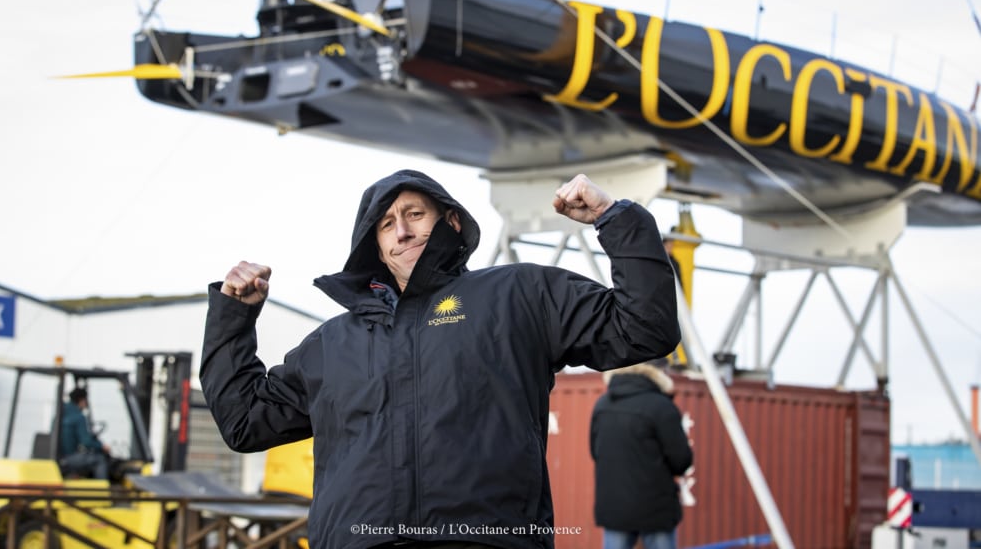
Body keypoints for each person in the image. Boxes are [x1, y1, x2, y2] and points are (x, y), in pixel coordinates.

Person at [200, 170, 679, 549]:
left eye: (414, 214)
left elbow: (644, 329)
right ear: (375, 245)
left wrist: (614, 217)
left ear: (449, 221)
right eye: (386, 224)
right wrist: (233, 317)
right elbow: (246, 423)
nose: (402, 231)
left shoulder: (519, 295)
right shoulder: (330, 344)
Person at [589, 359, 694, 549]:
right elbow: (681, 461)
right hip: (656, 510)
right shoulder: (661, 406)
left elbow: (595, 452)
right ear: (658, 373)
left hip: (614, 509)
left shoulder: (602, 405)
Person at [58, 387, 111, 480]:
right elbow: (86, 441)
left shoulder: (61, 413)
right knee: (100, 459)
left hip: (59, 456)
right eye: (86, 401)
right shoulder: (79, 417)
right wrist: (102, 446)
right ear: (82, 400)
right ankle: (103, 492)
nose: (86, 404)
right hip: (68, 458)